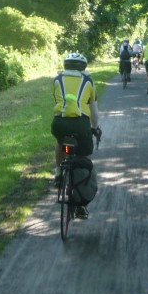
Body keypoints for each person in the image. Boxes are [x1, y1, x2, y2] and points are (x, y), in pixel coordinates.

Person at [51, 52, 102, 218]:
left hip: (60, 123)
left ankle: (59, 173)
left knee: (62, 142)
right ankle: (80, 205)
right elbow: (93, 111)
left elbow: (58, 102)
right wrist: (95, 127)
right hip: (80, 125)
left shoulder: (57, 80)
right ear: (83, 67)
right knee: (82, 154)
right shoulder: (88, 81)